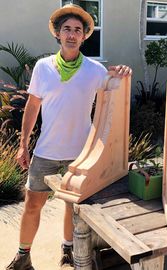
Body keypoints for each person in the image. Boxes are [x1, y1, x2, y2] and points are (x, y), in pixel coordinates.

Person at [6, 4, 132, 270]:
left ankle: (68, 249)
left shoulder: (95, 70)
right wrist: (23, 145)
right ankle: (23, 256)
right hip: (46, 152)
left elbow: (114, 92)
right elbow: (33, 106)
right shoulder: (43, 67)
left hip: (81, 155)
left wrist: (122, 73)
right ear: (58, 35)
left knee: (71, 208)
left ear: (84, 36)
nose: (72, 35)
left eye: (77, 30)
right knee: (32, 206)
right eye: (67, 30)